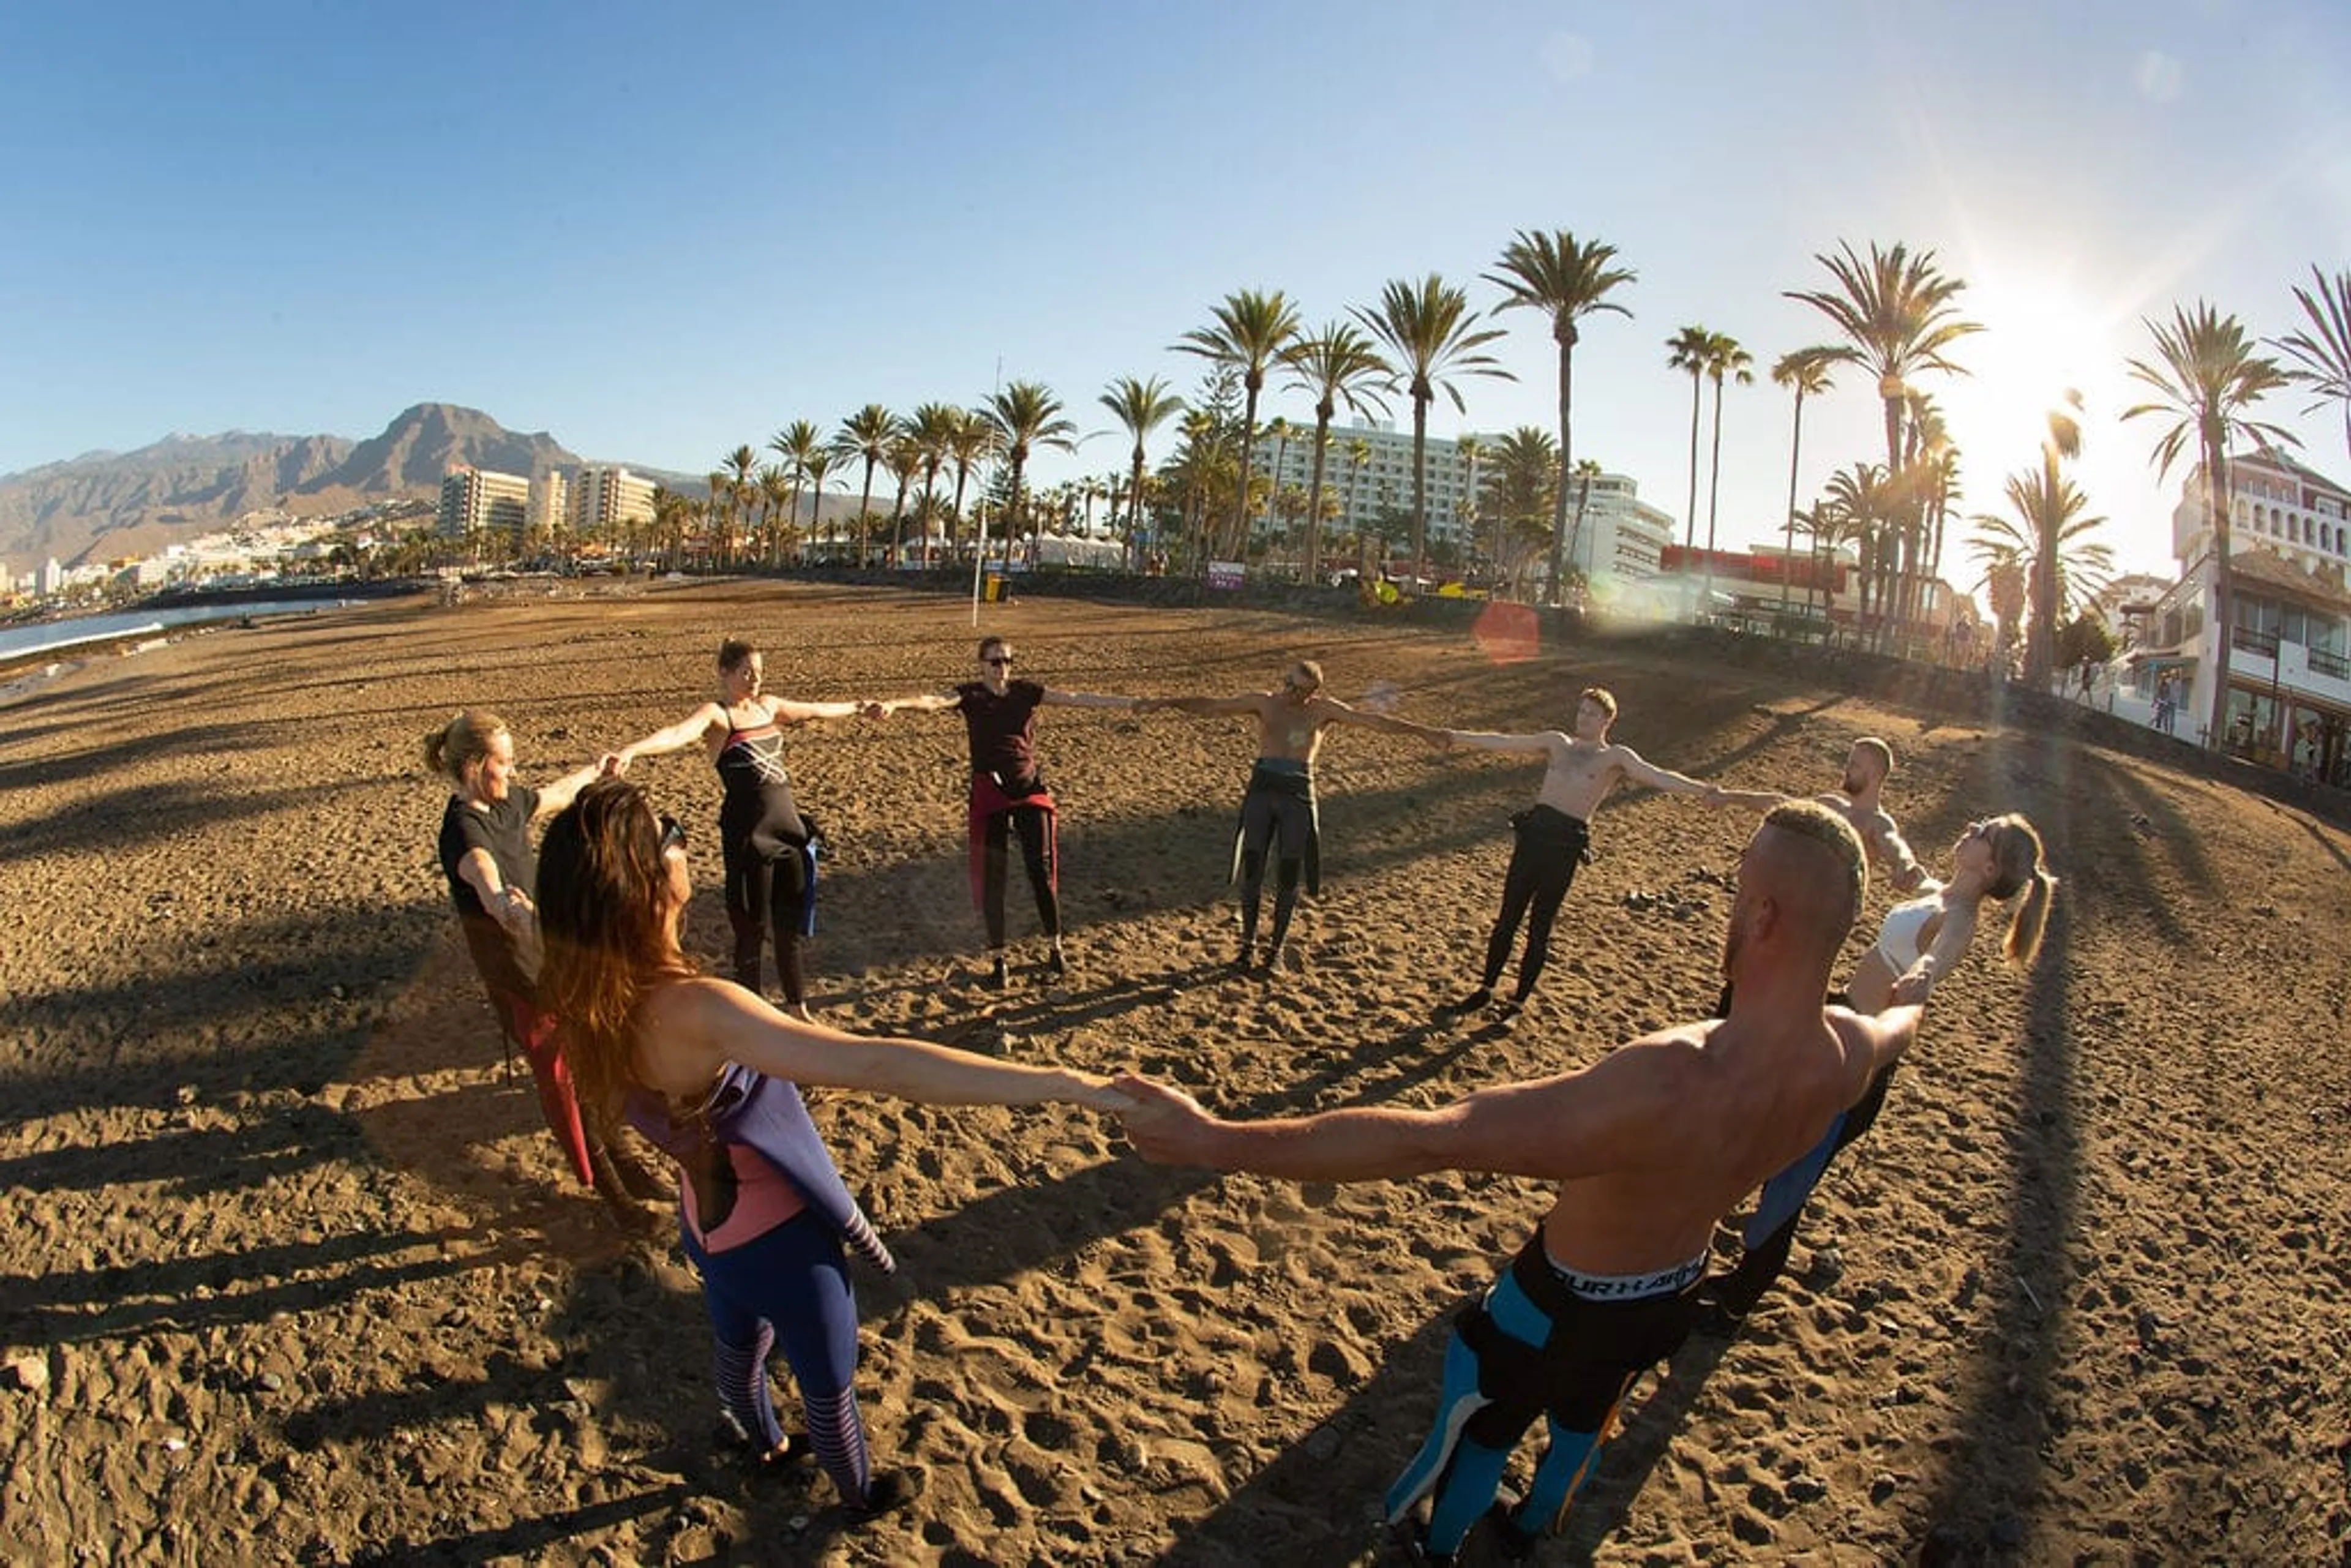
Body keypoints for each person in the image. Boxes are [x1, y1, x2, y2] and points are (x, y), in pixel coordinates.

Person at [1116, 803, 1920, 1564]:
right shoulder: (1844, 1055)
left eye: (1741, 884)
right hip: (1668, 1302)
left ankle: (1436, 1548)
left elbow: (1432, 1140)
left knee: (1484, 1434)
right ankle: (1532, 1528)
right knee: (1582, 1425)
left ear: (1766, 916)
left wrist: (1213, 1139)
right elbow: (1895, 1026)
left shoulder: (1670, 1079)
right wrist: (1916, 993)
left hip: (1556, 1305)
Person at [534, 777, 1130, 1522]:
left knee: (737, 1344)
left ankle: (765, 1444)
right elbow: (882, 1064)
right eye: (671, 833)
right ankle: (859, 1493)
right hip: (784, 1241)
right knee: (827, 1378)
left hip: (708, 1230)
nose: (683, 842)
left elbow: (534, 914)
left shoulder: (589, 993)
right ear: (645, 885)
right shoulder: (702, 1010)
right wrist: (1063, 1082)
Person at [1700, 811, 2056, 1326]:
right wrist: (1874, 825)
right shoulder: (1936, 892)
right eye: (1978, 823)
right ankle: (1734, 1278)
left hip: (1857, 1062)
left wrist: (1921, 977)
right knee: (1766, 1147)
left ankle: (1736, 1303)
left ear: (1991, 866)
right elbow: (1903, 858)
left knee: (1789, 1184)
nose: (1972, 826)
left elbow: (1937, 960)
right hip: (1830, 1028)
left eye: (1984, 833)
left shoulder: (1958, 917)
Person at [426, 708, 653, 1217]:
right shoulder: (462, 830)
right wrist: (506, 906)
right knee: (564, 1081)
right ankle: (612, 1193)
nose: (512, 770)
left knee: (594, 1064)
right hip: (520, 977)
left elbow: (556, 794)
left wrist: (599, 771)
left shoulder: (505, 805)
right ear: (474, 767)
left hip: (551, 958)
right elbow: (484, 877)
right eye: (504, 762)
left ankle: (625, 1162)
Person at [1435, 686, 1752, 1018]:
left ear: (1607, 720)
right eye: (1581, 711)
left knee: (1540, 926)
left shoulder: (1615, 757)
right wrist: (1455, 736)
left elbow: (1657, 775)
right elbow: (1505, 741)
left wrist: (1704, 790)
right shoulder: (1557, 742)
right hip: (1534, 837)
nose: (1583, 718)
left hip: (1565, 846)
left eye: (1591, 714)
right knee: (1507, 919)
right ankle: (1486, 988)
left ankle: (1516, 1004)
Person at [615, 639, 874, 1021]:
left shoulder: (768, 706)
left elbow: (816, 710)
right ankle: (750, 1016)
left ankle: (796, 1007)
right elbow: (676, 734)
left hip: (789, 831)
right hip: (750, 836)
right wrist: (632, 751)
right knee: (751, 931)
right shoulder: (719, 717)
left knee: (789, 931)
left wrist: (858, 707)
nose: (755, 679)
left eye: (759, 672)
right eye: (746, 672)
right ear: (724, 672)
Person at [871, 636, 1142, 988]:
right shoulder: (971, 695)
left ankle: (1055, 948)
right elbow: (931, 702)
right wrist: (894, 704)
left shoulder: (1024, 692)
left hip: (1029, 790)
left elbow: (1075, 699)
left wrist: (1131, 703)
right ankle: (999, 960)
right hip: (990, 793)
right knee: (992, 879)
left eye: (1008, 661)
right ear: (981, 664)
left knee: (1041, 872)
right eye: (995, 662)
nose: (1003, 669)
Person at [1141, 659, 1445, 972]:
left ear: (1312, 692)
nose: (1288, 691)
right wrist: (1167, 702)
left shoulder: (1322, 710)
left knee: (1289, 872)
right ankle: (1247, 947)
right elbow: (1214, 706)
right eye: (1287, 682)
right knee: (1253, 867)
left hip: (1298, 795)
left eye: (1297, 688)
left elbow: (1374, 722)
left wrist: (1424, 732)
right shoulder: (1264, 702)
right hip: (1262, 790)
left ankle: (1275, 950)